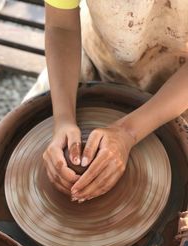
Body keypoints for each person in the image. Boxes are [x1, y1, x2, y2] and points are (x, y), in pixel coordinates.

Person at [42, 0, 188, 204]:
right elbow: (61, 26)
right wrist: (63, 119)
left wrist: (128, 132)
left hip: (179, 88)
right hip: (99, 58)